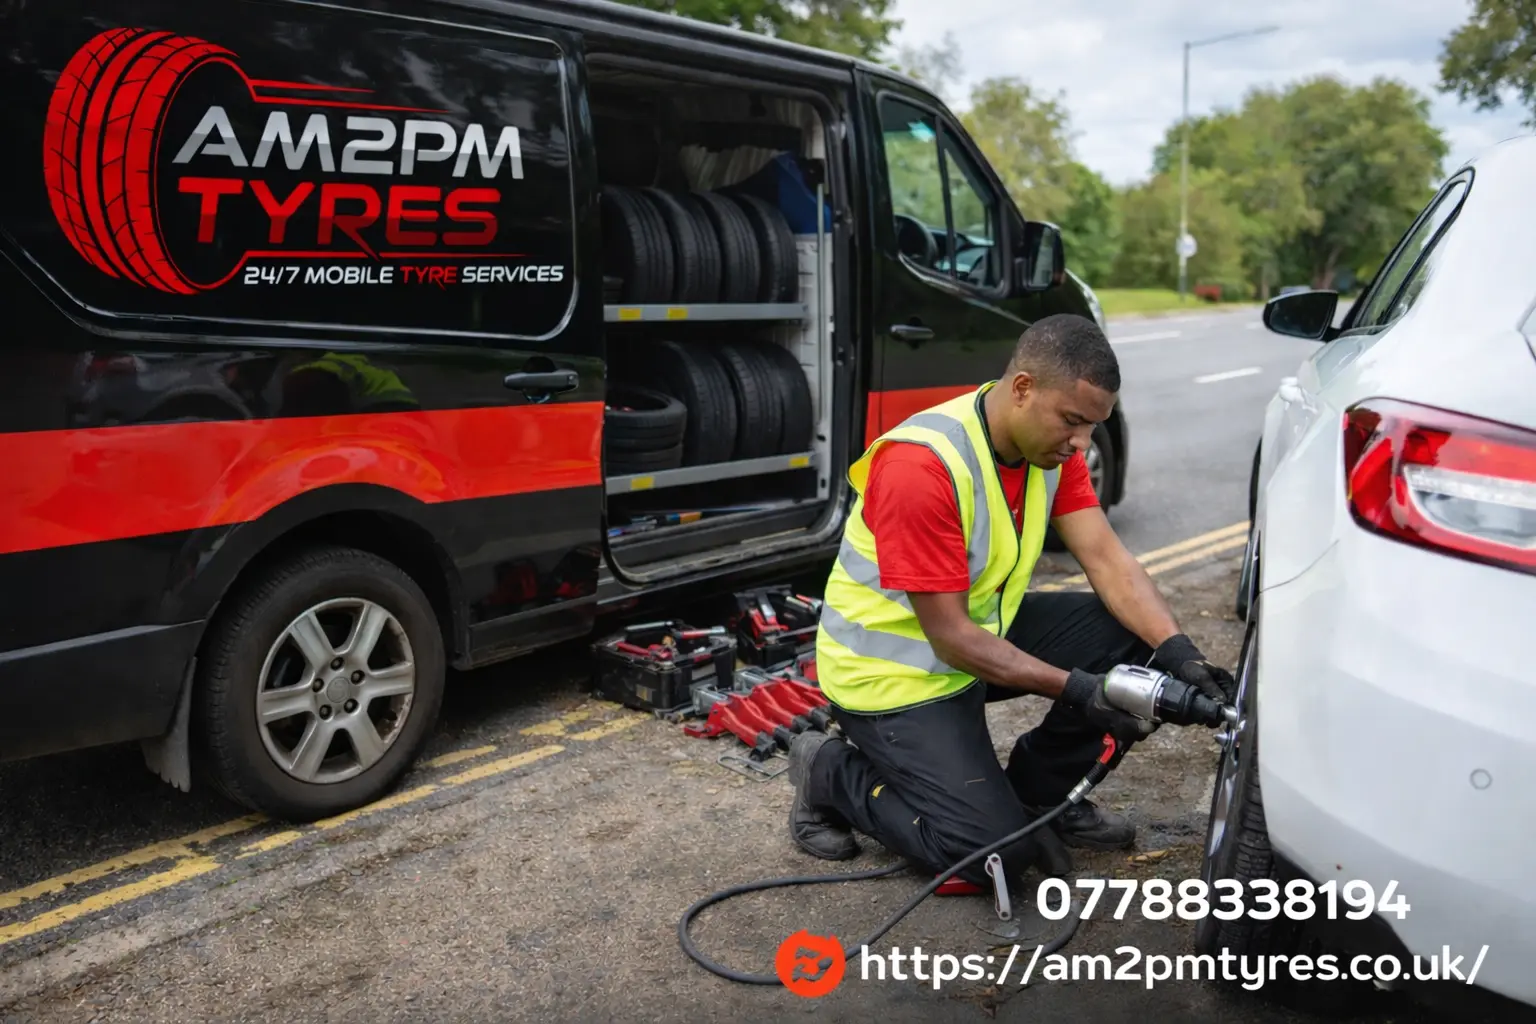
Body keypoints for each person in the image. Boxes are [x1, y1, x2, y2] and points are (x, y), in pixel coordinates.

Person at [788, 313, 1235, 887]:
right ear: (1023, 388)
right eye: (1072, 421)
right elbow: (949, 638)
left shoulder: (1050, 454)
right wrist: (1082, 690)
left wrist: (1179, 653)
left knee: (1132, 641)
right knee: (986, 860)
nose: (1082, 444)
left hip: (974, 641)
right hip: (892, 675)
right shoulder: (922, 467)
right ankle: (827, 771)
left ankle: (1037, 799)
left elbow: (1108, 561)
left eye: (1093, 427)